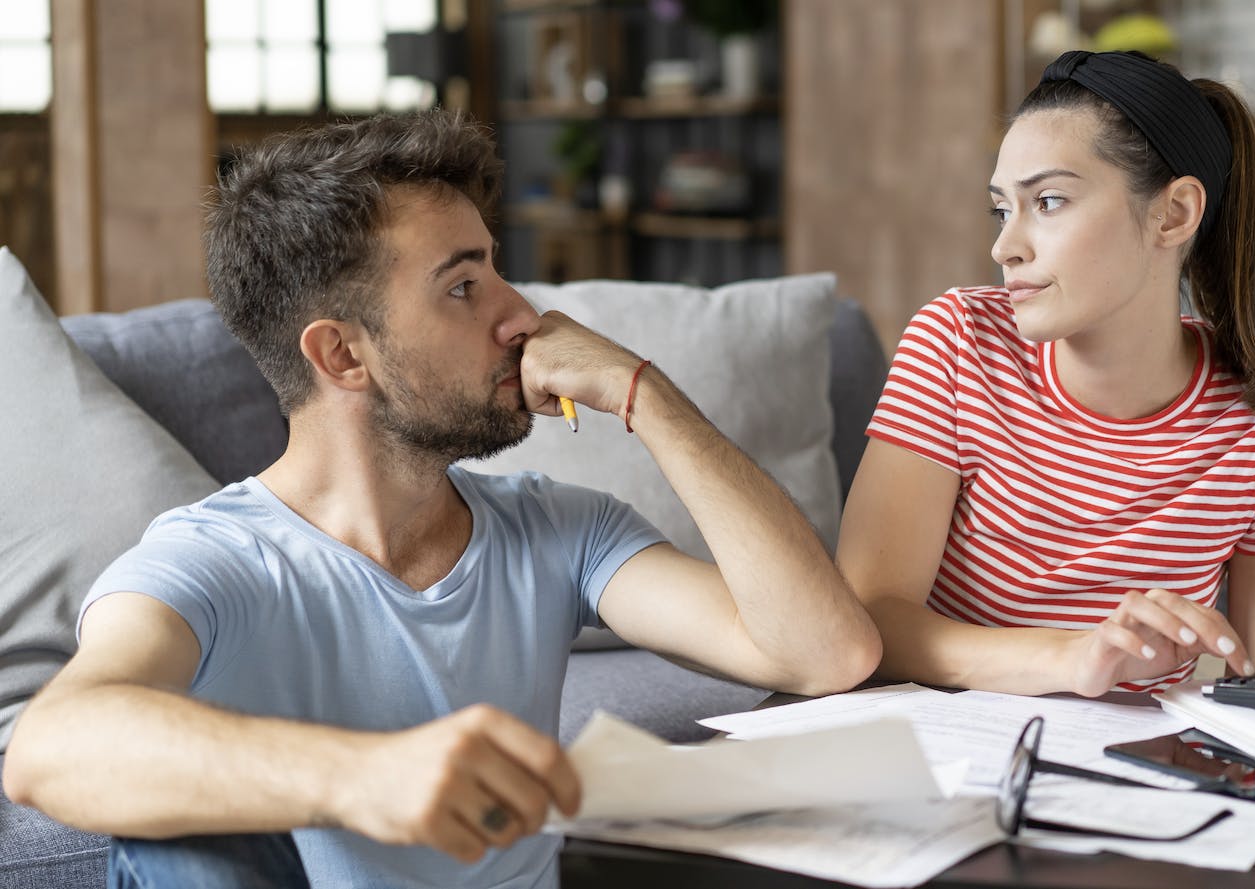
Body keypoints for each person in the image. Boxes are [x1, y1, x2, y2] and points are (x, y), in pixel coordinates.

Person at [2, 110, 881, 888]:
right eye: (463, 287)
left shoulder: (560, 530)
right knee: (181, 851)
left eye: (496, 271)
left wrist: (642, 393)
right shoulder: (215, 561)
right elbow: (52, 748)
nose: (521, 316)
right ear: (344, 355)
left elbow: (826, 651)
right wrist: (366, 776)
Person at [836, 50, 1255, 701]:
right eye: (1003, 209)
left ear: (1173, 214)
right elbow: (868, 619)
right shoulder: (958, 345)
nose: (1006, 246)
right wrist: (1072, 658)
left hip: (1139, 773)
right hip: (951, 745)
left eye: (1049, 201)